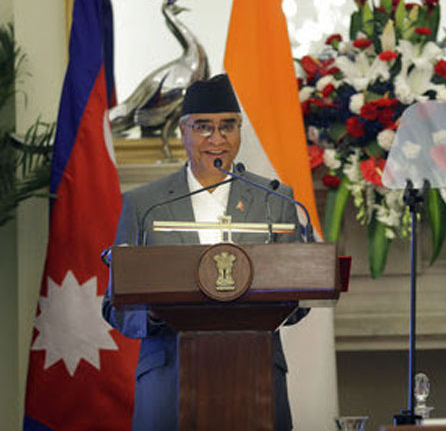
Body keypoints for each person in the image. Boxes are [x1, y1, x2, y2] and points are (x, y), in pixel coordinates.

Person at [102, 74, 306, 431]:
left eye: (228, 127)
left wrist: (277, 303)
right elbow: (114, 304)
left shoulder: (275, 199)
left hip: (255, 380)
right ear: (183, 132)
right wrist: (149, 314)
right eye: (204, 128)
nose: (217, 139)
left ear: (240, 131)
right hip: (169, 379)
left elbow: (301, 293)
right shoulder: (144, 205)